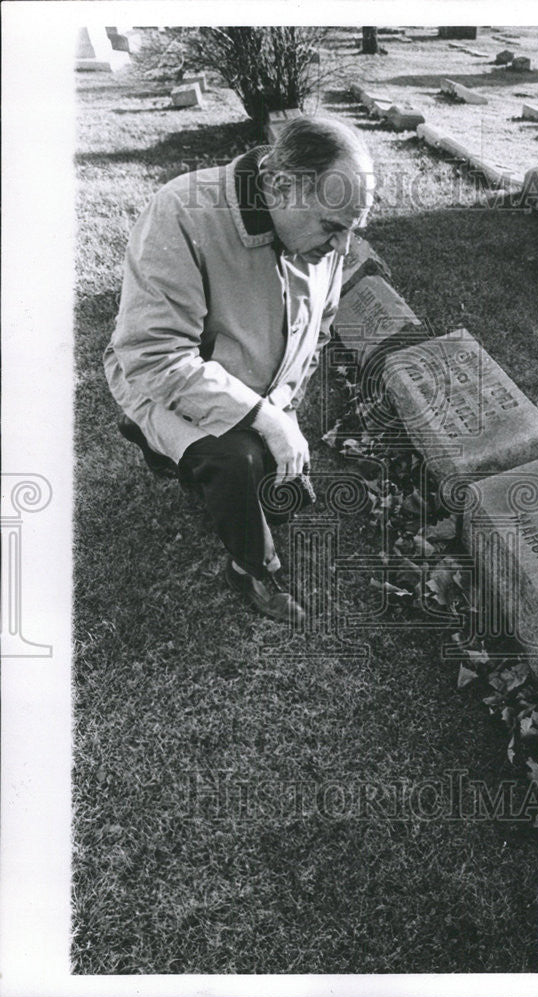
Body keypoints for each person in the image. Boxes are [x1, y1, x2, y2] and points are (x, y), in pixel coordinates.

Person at [104, 116, 375, 623]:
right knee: (237, 460)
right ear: (277, 183)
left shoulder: (322, 232)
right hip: (160, 381)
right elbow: (154, 355)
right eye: (333, 228)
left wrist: (282, 405)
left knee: (274, 479)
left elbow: (320, 326)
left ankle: (227, 462)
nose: (341, 248)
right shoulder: (181, 212)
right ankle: (251, 567)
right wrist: (266, 420)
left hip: (252, 384)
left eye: (351, 230)